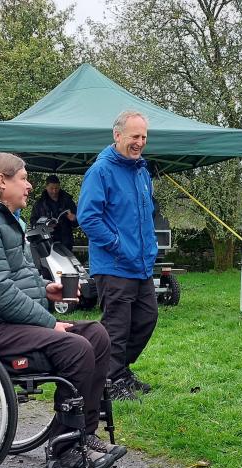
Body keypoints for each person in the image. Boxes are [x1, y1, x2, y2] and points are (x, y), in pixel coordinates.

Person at [0, 152, 126, 468]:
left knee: (96, 334)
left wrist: (45, 289)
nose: (30, 186)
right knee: (75, 346)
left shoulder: (4, 219)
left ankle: (83, 433)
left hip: (4, 319)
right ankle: (65, 449)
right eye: (24, 178)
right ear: (2, 180)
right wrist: (48, 322)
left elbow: (12, 277)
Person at [77, 110, 158, 400]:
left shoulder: (141, 171)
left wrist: (149, 250)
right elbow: (87, 217)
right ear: (118, 135)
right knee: (118, 326)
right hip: (114, 265)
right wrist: (117, 245)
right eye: (134, 136)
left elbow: (145, 216)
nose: (139, 142)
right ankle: (109, 382)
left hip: (140, 264)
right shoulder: (101, 171)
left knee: (146, 319)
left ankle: (120, 371)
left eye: (144, 137)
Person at [31, 175, 78, 250]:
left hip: (66, 242)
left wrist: (74, 218)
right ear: (46, 187)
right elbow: (33, 223)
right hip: (47, 243)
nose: (54, 191)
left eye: (56, 188)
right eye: (51, 188)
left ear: (59, 187)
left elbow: (78, 222)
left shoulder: (68, 201)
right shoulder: (39, 204)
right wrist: (46, 226)